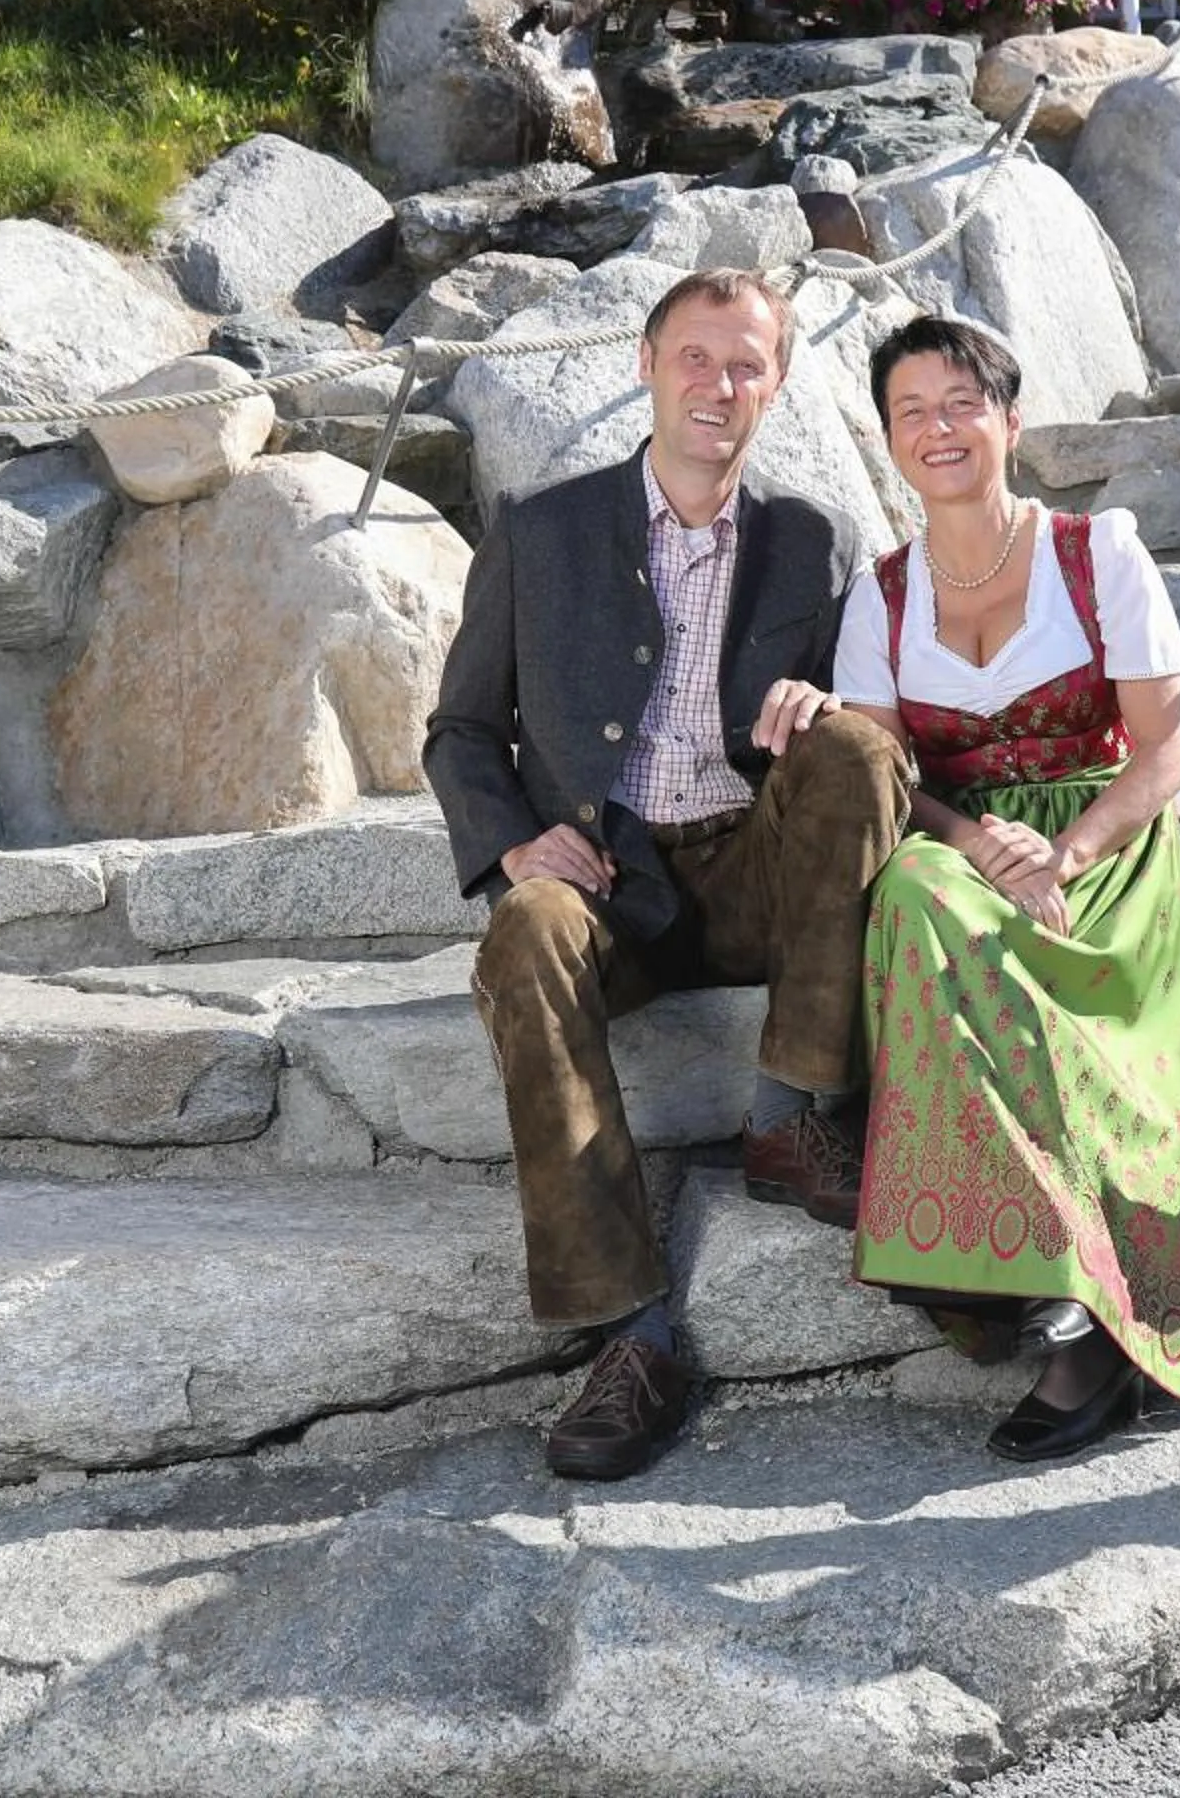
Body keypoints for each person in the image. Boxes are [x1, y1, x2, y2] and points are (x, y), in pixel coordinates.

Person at [424, 265, 914, 1483]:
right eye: (697, 357)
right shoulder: (540, 529)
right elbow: (462, 732)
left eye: (747, 364)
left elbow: (864, 721)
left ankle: (788, 1114)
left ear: (778, 386)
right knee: (525, 933)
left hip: (755, 868)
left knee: (860, 745)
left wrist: (828, 704)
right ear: (646, 365)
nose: (719, 384)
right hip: (606, 879)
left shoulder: (812, 540)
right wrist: (513, 843)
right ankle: (632, 1332)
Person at [835, 315, 1180, 1464]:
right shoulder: (885, 595)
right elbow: (888, 779)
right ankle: (1044, 1273)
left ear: (1010, 421)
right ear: (888, 440)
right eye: (912, 411)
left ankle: (1088, 1322)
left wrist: (1064, 853)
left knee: (1021, 955)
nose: (939, 427)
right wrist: (979, 842)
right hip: (968, 847)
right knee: (910, 887)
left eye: (962, 402)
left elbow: (1169, 750)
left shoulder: (1096, 552)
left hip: (1106, 843)